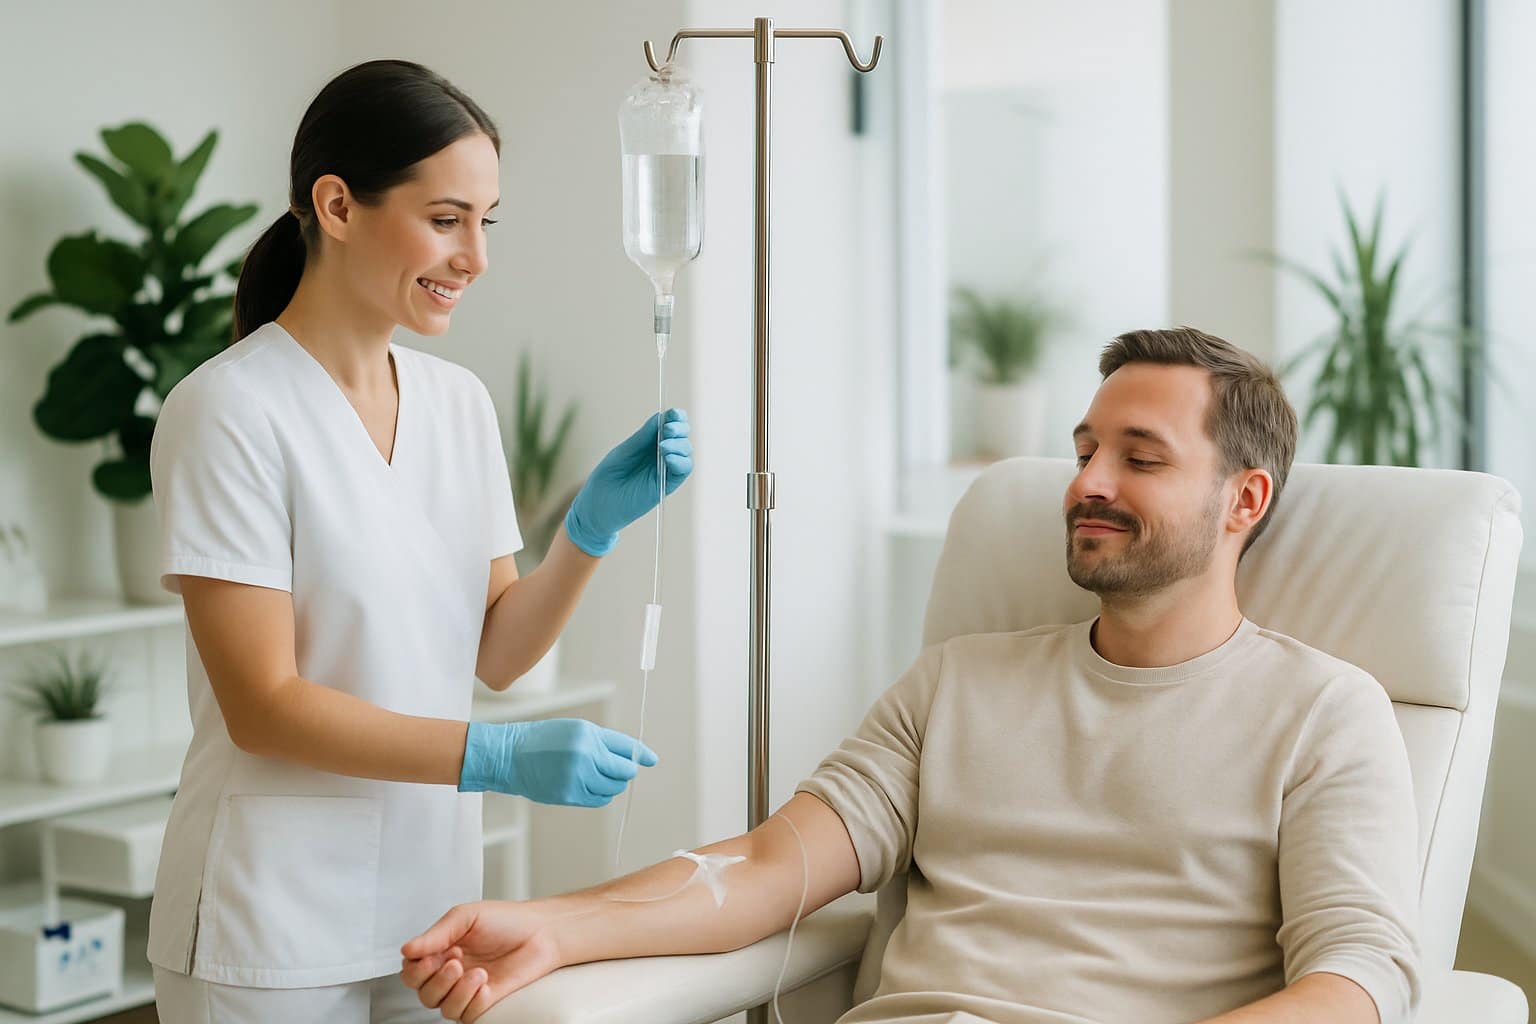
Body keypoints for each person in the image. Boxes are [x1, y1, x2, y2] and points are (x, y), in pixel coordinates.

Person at [400, 327, 1422, 1024]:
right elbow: (764, 870)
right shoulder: (958, 684)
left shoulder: (1324, 712)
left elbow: (1355, 980)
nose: (1088, 483)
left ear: (1244, 498)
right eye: (1084, 448)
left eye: (1140, 458)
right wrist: (551, 923)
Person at [146, 59, 692, 1024]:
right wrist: (497, 760)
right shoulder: (227, 412)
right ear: (338, 205)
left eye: (487, 221)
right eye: (446, 220)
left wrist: (586, 530)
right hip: (267, 921)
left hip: (431, 922)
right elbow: (263, 708)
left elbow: (498, 653)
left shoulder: (458, 404)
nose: (475, 256)